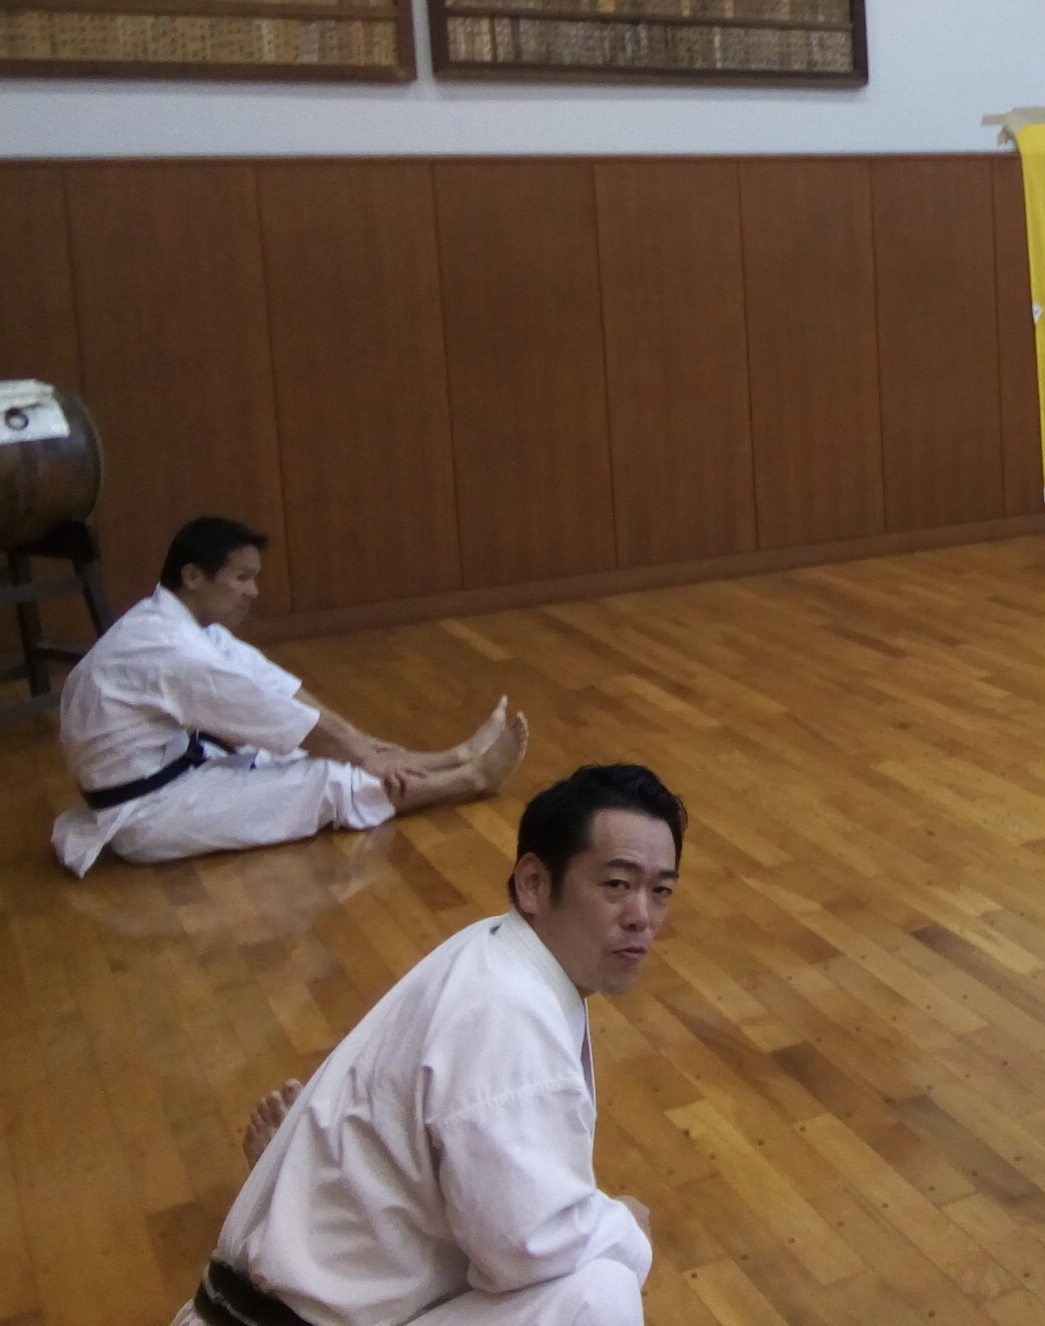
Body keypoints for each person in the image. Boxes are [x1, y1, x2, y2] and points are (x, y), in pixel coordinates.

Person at [180, 763, 684, 1326]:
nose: (642, 917)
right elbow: (525, 1247)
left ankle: (303, 1201)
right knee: (600, 1291)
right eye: (617, 885)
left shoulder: (498, 955)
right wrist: (625, 1228)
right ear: (534, 883)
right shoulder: (506, 1009)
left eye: (660, 891)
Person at [50, 515, 526, 877]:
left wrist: (362, 743)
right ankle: (470, 778)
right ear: (192, 576)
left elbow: (275, 687)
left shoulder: (181, 624)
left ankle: (453, 757)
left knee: (320, 750)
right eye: (241, 578)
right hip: (146, 812)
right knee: (326, 778)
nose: (253, 592)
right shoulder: (173, 648)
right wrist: (362, 755)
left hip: (175, 769)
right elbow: (268, 713)